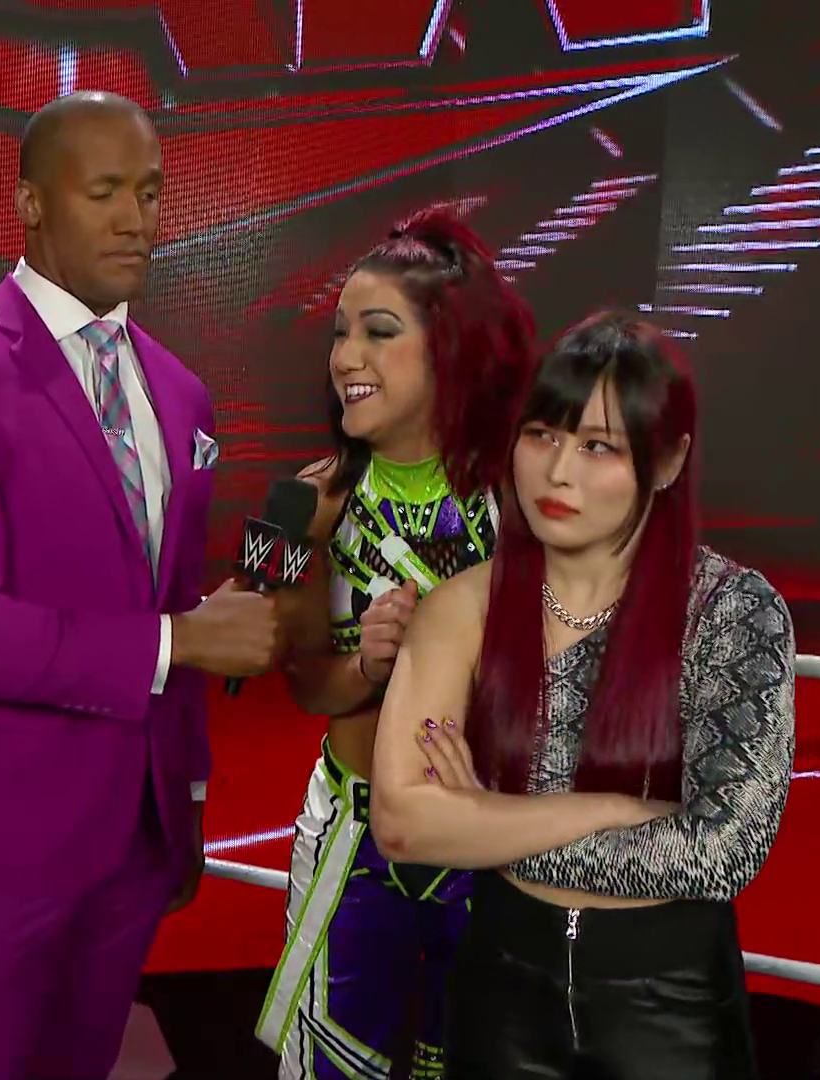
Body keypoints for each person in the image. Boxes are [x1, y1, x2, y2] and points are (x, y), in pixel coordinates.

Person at [0, 89, 282, 1080]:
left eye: (151, 192)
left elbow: (175, 596)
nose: (137, 219)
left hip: (140, 839)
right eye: (105, 192)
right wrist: (182, 641)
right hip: (0, 849)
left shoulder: (182, 392)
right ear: (30, 203)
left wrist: (185, 799)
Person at [368, 313, 797, 1078]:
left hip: (670, 1009)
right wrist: (614, 808)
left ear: (668, 460)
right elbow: (402, 825)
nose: (557, 472)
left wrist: (484, 821)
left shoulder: (733, 610)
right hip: (500, 991)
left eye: (599, 446)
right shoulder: (464, 607)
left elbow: (719, 853)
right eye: (542, 436)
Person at [254, 207, 537, 1080]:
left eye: (378, 332)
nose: (346, 357)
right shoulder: (300, 506)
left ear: (450, 350)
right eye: (340, 334)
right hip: (354, 840)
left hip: (485, 839)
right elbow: (302, 684)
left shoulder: (524, 503)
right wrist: (367, 666)